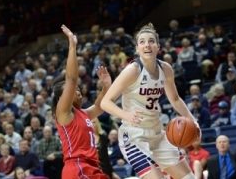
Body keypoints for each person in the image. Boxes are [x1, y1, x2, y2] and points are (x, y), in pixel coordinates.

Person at [100, 23, 199, 179]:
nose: (147, 45)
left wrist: (193, 121)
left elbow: (175, 98)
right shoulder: (132, 70)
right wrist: (126, 115)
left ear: (158, 46)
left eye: (151, 41)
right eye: (142, 42)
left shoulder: (166, 69)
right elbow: (105, 102)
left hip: (158, 133)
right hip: (134, 136)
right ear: (137, 48)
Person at [52, 25, 112, 178]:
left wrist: (106, 86)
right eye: (73, 91)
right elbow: (71, 79)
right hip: (77, 167)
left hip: (91, 167)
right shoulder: (63, 112)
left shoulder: (82, 113)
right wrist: (72, 46)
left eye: (79, 89)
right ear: (62, 98)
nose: (77, 92)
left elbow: (99, 107)